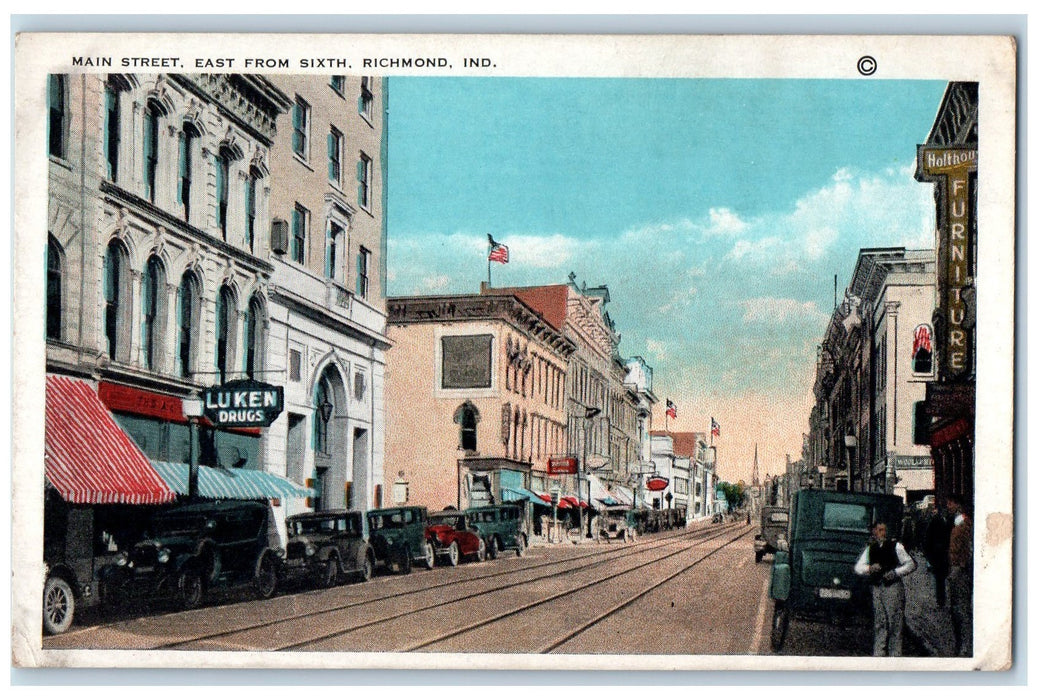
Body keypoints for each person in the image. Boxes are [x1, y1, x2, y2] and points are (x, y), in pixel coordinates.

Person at [854, 521, 917, 656]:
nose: (882, 533)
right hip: (877, 588)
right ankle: (879, 654)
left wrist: (895, 573)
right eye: (879, 530)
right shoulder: (870, 548)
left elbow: (911, 564)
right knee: (880, 622)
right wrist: (869, 568)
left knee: (895, 623)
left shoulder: (897, 547)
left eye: (884, 530)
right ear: (874, 532)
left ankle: (895, 655)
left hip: (893, 588)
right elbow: (858, 568)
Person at [946, 494, 973, 657]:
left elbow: (967, 550)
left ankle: (965, 646)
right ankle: (960, 644)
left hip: (960, 571)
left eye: (950, 503)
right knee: (955, 609)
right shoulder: (956, 524)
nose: (948, 506)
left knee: (961, 610)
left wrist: (960, 567)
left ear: (958, 505)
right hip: (954, 569)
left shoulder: (964, 525)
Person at [923, 502, 951, 608]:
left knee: (945, 577)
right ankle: (941, 601)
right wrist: (929, 555)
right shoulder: (935, 521)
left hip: (947, 553)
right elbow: (928, 538)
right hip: (938, 555)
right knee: (939, 579)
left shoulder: (950, 520)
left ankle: (944, 600)